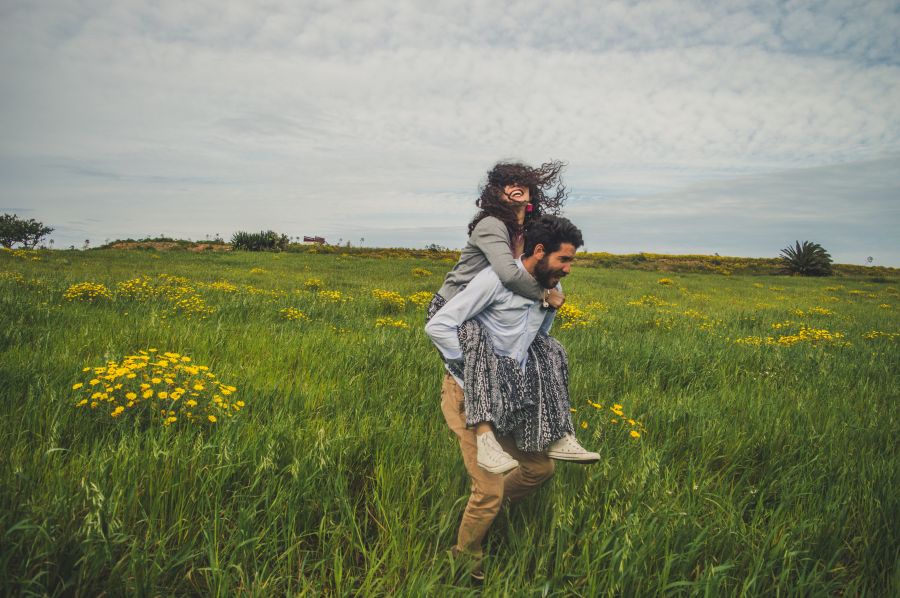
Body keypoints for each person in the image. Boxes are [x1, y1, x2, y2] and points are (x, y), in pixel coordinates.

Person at [425, 215, 598, 581]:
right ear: (539, 251)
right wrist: (476, 367)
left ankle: (484, 516)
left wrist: (550, 310)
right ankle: (462, 562)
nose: (569, 268)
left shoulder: (544, 287)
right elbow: (438, 325)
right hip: (468, 393)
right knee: (488, 489)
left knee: (539, 468)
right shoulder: (494, 282)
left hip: (510, 394)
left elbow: (532, 339)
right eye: (564, 260)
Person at [427, 161, 573, 473]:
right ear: (497, 193)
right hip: (453, 304)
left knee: (541, 351)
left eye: (522, 182)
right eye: (507, 183)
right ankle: (485, 438)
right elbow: (508, 274)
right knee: (481, 355)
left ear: (531, 191)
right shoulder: (493, 224)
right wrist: (543, 295)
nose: (515, 187)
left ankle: (553, 433)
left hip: (488, 306)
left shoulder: (525, 229)